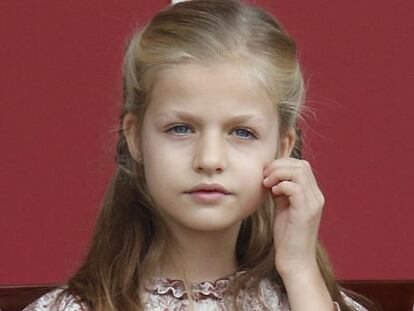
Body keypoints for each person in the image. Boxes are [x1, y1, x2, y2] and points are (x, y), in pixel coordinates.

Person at [23, 0, 379, 310]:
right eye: (180, 128)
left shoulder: (312, 300)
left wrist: (300, 270)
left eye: (242, 132)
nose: (209, 160)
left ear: (282, 148)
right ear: (134, 137)